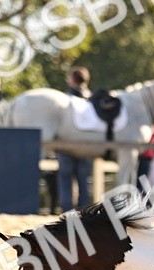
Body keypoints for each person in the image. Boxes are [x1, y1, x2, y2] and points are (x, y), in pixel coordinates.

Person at [57, 66, 93, 210]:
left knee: (65, 180)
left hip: (66, 145)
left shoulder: (65, 99)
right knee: (83, 181)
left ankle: (66, 212)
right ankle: (83, 212)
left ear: (72, 80)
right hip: (86, 146)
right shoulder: (92, 99)